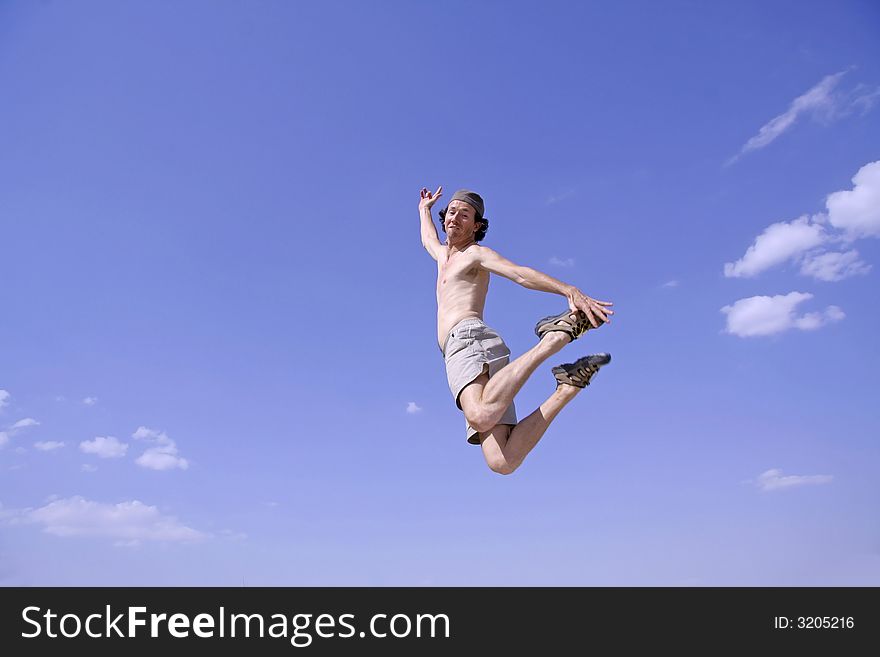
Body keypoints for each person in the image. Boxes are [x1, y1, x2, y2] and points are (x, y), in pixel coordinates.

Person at [419, 186, 615, 475]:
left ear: (476, 226)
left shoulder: (475, 255)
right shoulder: (442, 257)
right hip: (467, 347)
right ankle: (568, 385)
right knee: (503, 460)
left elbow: (519, 274)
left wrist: (567, 290)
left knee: (480, 415)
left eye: (465, 214)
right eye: (451, 212)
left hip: (468, 340)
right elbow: (427, 239)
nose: (455, 218)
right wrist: (423, 208)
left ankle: (552, 340)